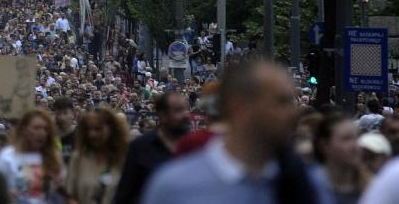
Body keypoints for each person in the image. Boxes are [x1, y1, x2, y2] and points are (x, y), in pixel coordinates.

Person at [140, 60, 333, 204]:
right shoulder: (175, 187)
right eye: (280, 102)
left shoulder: (313, 182)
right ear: (240, 106)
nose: (293, 113)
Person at [112, 91, 189, 204]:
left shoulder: (195, 147)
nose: (185, 115)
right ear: (163, 115)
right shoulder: (139, 147)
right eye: (178, 111)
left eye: (185, 109)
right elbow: (124, 194)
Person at [0, 108, 65, 203]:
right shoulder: (7, 156)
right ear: (24, 129)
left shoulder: (54, 157)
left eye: (46, 129)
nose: (42, 133)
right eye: (36, 128)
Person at [66, 106, 130, 204]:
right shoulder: (78, 158)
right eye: (88, 129)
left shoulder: (124, 158)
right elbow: (70, 195)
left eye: (98, 129)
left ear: (111, 129)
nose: (92, 134)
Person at [313, 112, 370, 204]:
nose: (355, 146)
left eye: (357, 138)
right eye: (346, 139)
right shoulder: (307, 187)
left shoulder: (374, 187)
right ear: (324, 145)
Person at [52, 97, 77, 165]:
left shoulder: (80, 135)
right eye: (58, 113)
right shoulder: (50, 135)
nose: (62, 118)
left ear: (73, 114)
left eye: (65, 113)